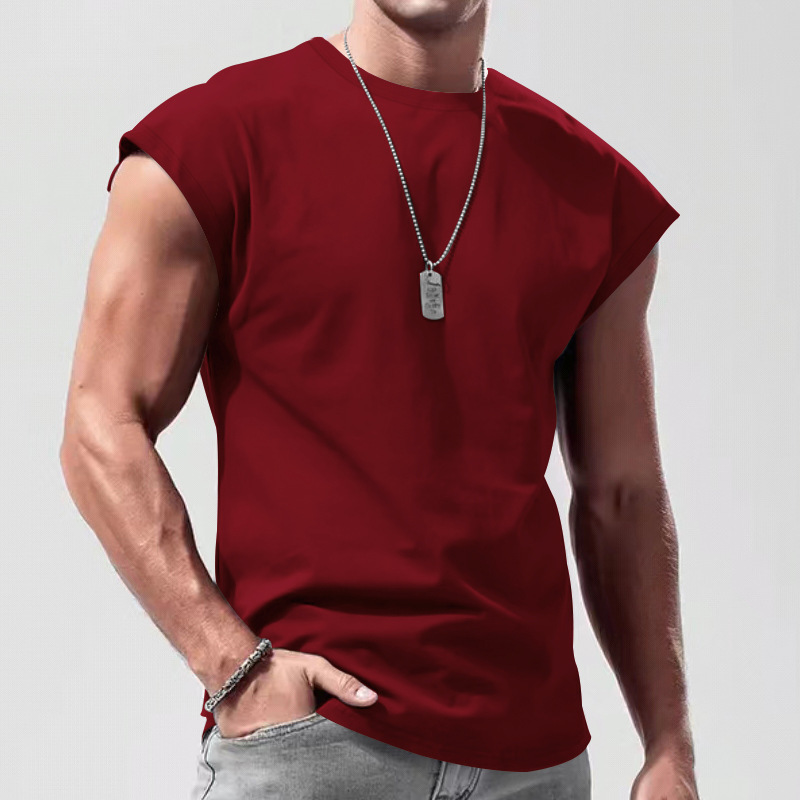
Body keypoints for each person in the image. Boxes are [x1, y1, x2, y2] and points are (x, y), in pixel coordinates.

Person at [60, 1, 699, 798]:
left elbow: (623, 492)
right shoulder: (210, 144)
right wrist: (232, 664)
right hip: (315, 744)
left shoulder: (591, 190)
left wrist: (669, 744)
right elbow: (101, 425)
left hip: (536, 764)